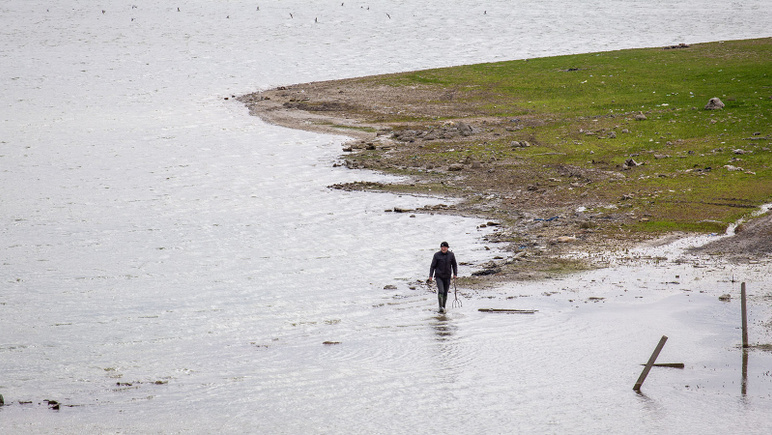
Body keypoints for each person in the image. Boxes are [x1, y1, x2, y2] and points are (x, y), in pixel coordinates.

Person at [429, 241, 457, 313]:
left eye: (445, 247)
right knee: (441, 291)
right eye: (442, 247)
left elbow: (454, 265)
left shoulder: (451, 255)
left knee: (445, 292)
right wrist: (430, 276)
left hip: (447, 276)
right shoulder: (436, 255)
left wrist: (455, 274)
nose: (443, 248)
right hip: (439, 276)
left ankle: (443, 306)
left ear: (447, 248)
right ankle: (440, 307)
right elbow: (432, 266)